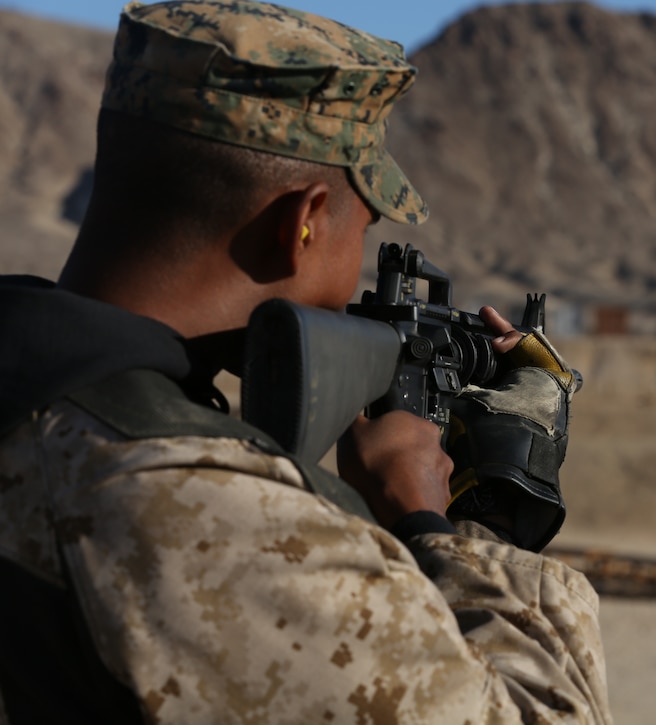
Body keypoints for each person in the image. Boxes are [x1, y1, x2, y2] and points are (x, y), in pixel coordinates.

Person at [0, 1, 611, 722]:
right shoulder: (190, 501)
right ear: (303, 222)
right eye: (362, 231)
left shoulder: (39, 395)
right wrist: (453, 522)